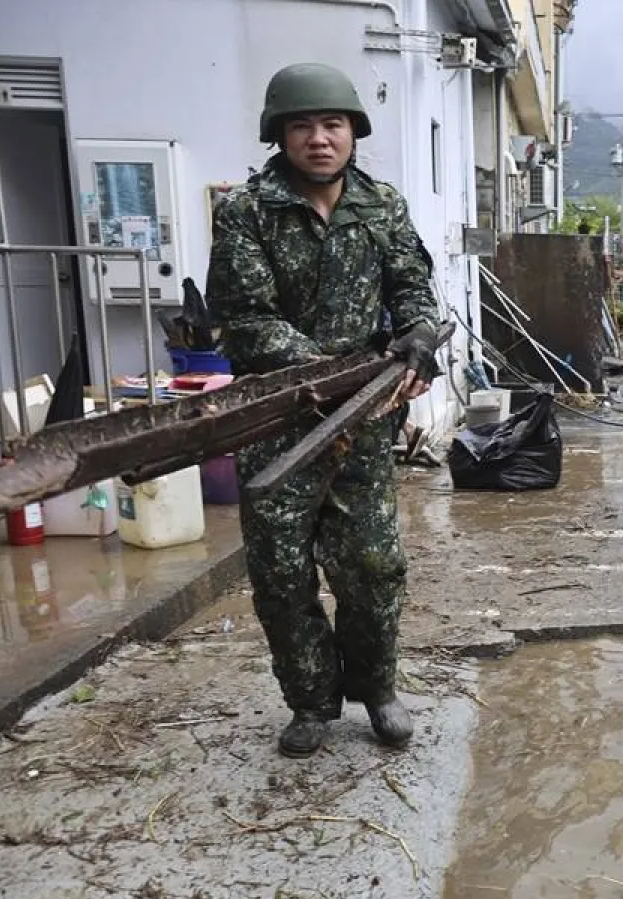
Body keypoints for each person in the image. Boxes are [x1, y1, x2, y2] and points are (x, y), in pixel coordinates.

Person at [209, 63, 441, 758]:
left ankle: (377, 690)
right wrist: (330, 373)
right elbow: (245, 321)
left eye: (332, 124)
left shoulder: (382, 206)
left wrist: (420, 336)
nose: (319, 138)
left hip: (364, 426)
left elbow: (413, 286)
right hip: (277, 424)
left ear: (352, 133)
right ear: (280, 135)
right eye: (303, 126)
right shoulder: (248, 212)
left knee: (372, 566)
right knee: (281, 574)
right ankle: (310, 702)